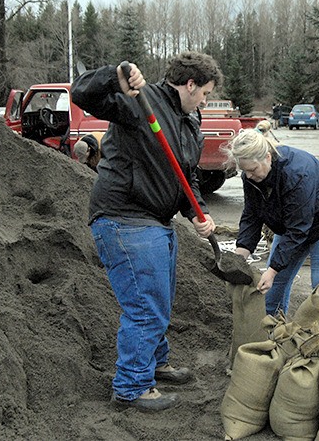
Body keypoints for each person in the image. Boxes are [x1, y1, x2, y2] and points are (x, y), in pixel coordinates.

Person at [71, 52, 223, 412]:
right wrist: (115, 78)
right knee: (145, 306)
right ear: (190, 85)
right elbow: (83, 94)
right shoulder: (139, 101)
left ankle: (155, 363)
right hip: (125, 217)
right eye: (204, 93)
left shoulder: (189, 119)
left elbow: (188, 175)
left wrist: (195, 212)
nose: (204, 100)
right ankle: (132, 386)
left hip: (158, 220)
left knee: (159, 301)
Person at [224, 120, 319, 316]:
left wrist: (273, 270)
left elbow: (298, 228)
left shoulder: (297, 174)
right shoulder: (252, 176)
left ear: (267, 157)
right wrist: (240, 256)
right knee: (271, 288)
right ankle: (273, 334)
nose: (248, 176)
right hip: (292, 226)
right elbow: (252, 215)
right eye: (244, 171)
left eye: (253, 170)